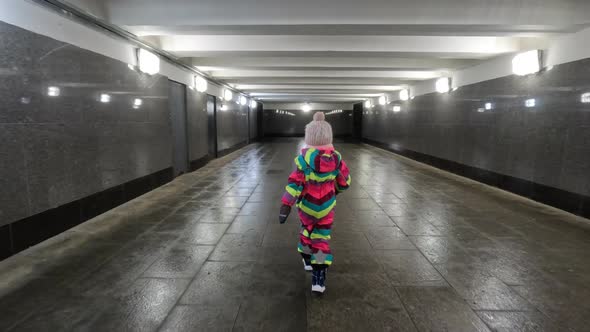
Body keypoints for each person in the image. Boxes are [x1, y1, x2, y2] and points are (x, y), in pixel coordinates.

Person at [278, 111, 351, 294]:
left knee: (306, 230)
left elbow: (295, 184)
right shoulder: (337, 161)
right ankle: (319, 278)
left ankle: (306, 257)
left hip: (307, 207)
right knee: (321, 239)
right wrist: (334, 192)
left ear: (308, 138)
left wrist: (286, 205)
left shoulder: (303, 161)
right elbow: (345, 182)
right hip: (326, 209)